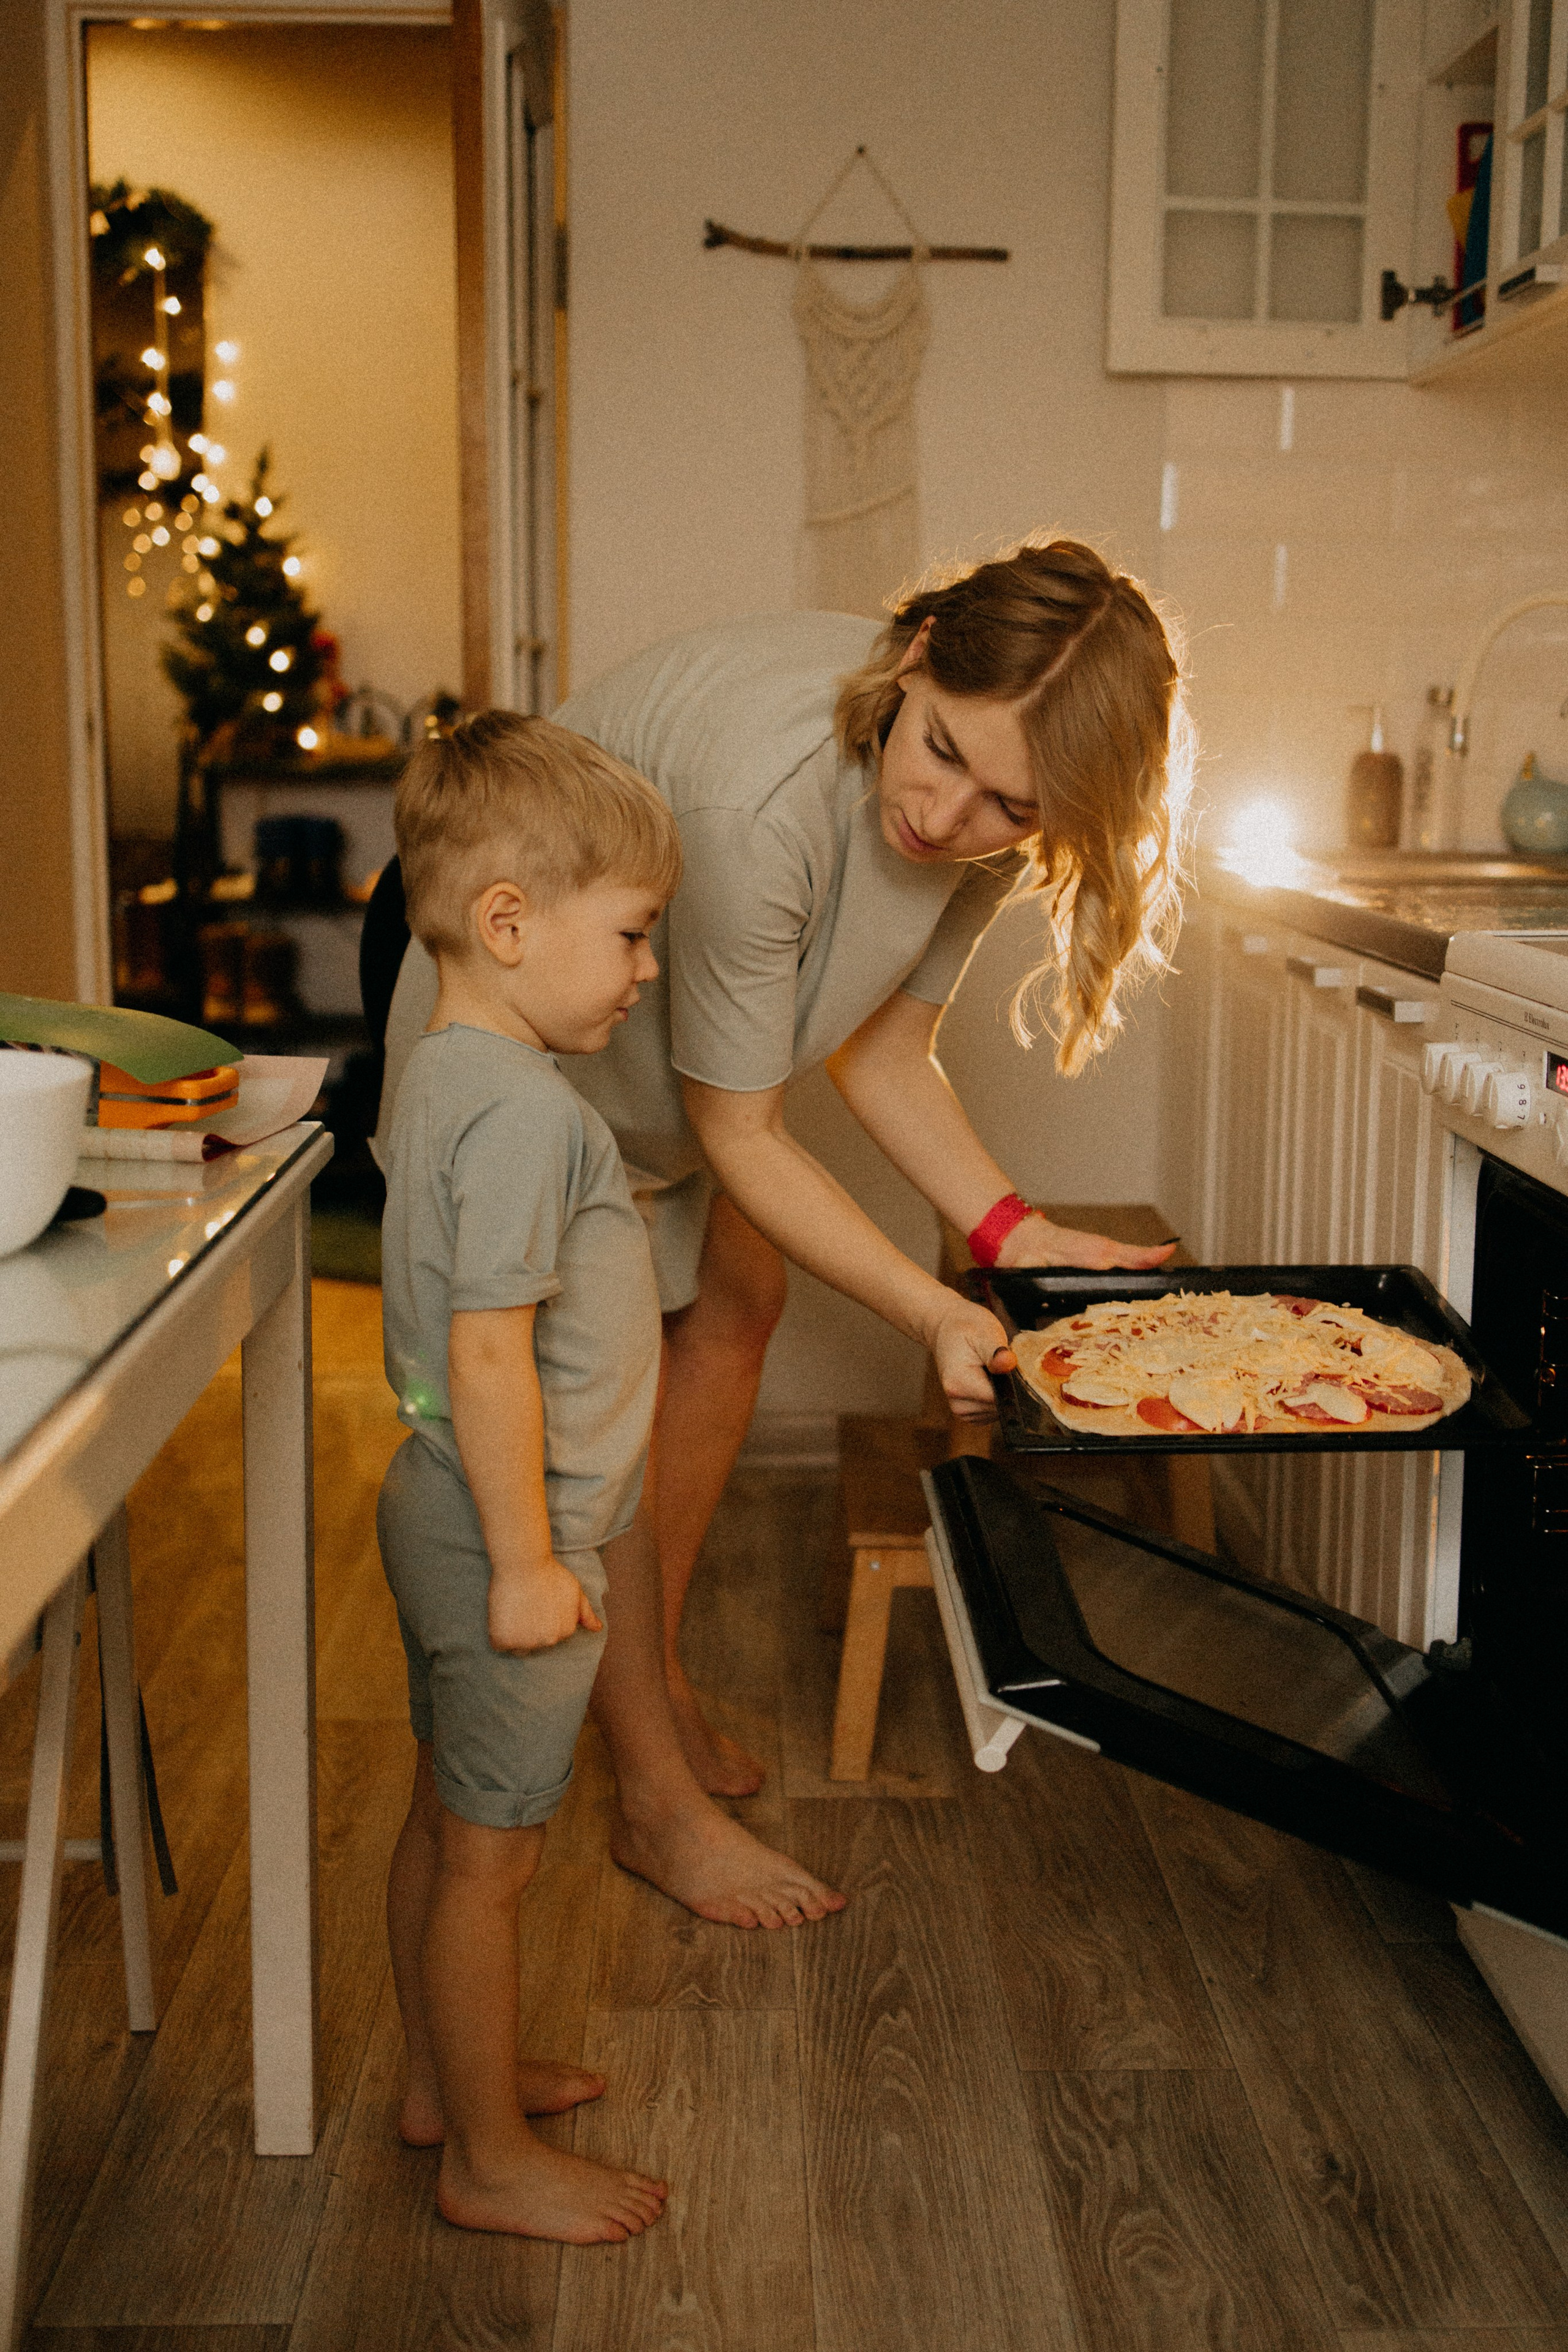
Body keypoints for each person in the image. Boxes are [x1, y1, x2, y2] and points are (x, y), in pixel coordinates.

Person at [368, 536, 1190, 1934]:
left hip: (669, 1069)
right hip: (539, 1065)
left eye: (1010, 806)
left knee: (738, 1305)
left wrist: (1011, 1231)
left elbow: (881, 1048)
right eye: (941, 753)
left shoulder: (982, 814)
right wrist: (932, 1308)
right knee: (597, 1418)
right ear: (917, 654)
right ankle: (651, 1794)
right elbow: (745, 1132)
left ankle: (645, 1675)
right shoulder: (760, 813)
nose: (946, 815)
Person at [375, 710, 679, 2242]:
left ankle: (451, 2082)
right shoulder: (523, 1116)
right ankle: (486, 2160)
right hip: (508, 1525)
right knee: (491, 1862)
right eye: (629, 934)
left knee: (447, 1819)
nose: (645, 970)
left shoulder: (442, 1074)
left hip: (439, 1491)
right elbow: (490, 1351)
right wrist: (527, 1565)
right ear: (508, 924)